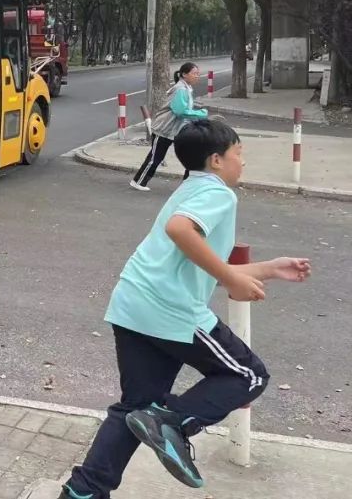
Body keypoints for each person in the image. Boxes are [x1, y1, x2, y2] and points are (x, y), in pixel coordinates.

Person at [59, 120, 311, 499]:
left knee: (135, 409)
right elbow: (181, 231)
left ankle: (84, 491)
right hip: (170, 309)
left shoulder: (190, 189)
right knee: (249, 375)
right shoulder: (217, 193)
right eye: (239, 154)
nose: (242, 162)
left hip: (133, 304)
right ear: (216, 160)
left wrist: (269, 268)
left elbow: (196, 259)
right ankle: (171, 422)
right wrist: (230, 277)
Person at [130, 62, 208, 192]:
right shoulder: (181, 89)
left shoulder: (186, 87)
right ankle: (138, 181)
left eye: (198, 74)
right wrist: (200, 114)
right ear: (184, 74)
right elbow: (179, 111)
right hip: (165, 129)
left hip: (177, 130)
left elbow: (184, 109)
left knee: (191, 155)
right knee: (155, 158)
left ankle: (188, 185)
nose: (197, 76)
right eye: (194, 73)